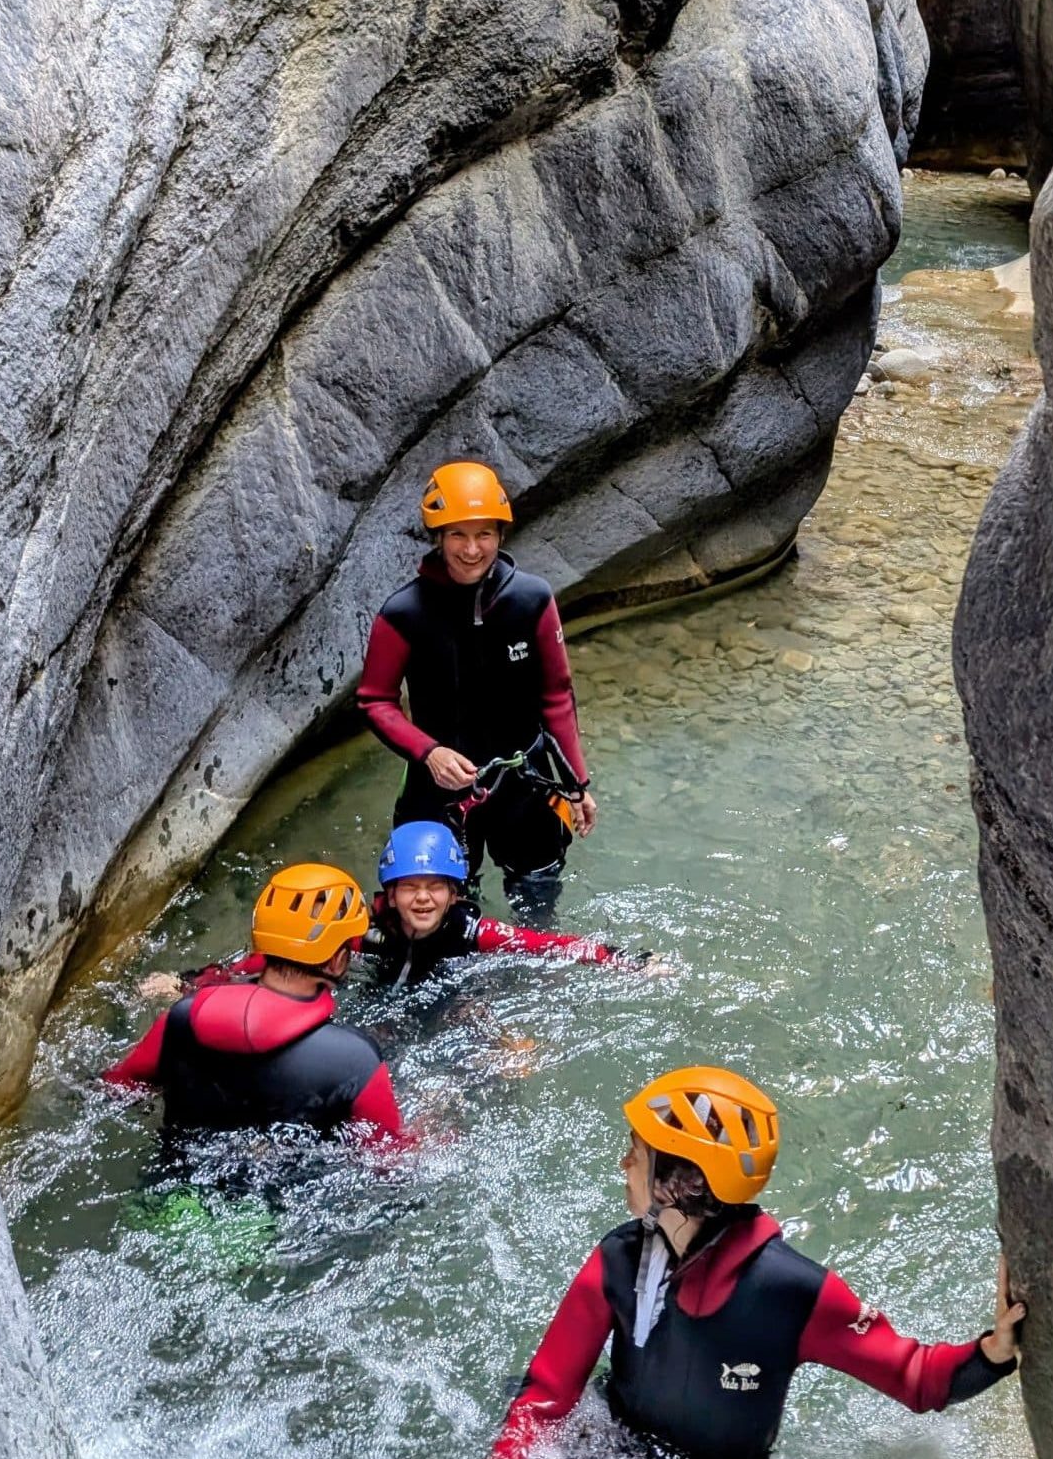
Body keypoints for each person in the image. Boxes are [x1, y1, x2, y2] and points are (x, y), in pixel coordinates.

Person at [468, 1066, 1025, 1459]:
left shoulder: (792, 1292)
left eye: (635, 1155)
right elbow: (544, 1398)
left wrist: (992, 1352)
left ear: (677, 1181)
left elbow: (917, 1378)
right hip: (612, 1454)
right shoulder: (618, 1260)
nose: (623, 1165)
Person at [358, 460, 595, 918]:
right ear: (438, 537)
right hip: (437, 790)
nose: (471, 549)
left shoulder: (533, 599)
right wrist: (429, 753)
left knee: (538, 907)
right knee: (437, 923)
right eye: (457, 535)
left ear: (500, 535)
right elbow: (374, 700)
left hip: (525, 785)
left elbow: (557, 696)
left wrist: (577, 784)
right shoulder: (404, 613)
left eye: (484, 534)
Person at [105, 862, 406, 1142]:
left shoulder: (184, 1017)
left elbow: (118, 1088)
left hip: (172, 1193)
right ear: (338, 961)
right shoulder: (355, 1059)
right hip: (273, 1196)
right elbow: (389, 1161)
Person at [364, 820, 662, 989]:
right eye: (409, 887)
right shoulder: (365, 930)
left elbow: (554, 946)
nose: (423, 897)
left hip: (452, 997)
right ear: (390, 895)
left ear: (454, 895)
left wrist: (631, 962)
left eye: (435, 887)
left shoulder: (473, 934)